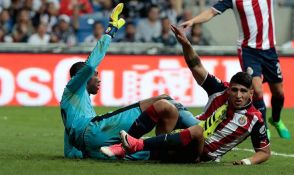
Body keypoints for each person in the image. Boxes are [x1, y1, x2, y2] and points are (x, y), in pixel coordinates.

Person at [102, 25, 271, 165]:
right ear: (230, 88)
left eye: (243, 91)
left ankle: (136, 146)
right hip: (195, 127)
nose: (238, 95)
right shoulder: (221, 90)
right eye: (234, 90)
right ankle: (124, 145)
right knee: (164, 104)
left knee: (197, 131)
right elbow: (196, 66)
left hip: (203, 151)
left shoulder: (255, 119)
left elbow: (264, 152)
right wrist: (186, 44)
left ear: (251, 93)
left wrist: (247, 161)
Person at [60, 3, 199, 160]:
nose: (99, 78)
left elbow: (70, 148)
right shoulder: (73, 88)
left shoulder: (75, 105)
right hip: (94, 131)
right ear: (82, 76)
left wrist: (82, 154)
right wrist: (111, 30)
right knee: (164, 99)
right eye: (95, 75)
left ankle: (168, 148)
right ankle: (201, 128)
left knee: (153, 144)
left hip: (92, 147)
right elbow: (91, 64)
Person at [179, 0, 290, 139]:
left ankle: (276, 120)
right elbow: (212, 11)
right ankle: (263, 129)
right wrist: (193, 21)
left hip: (270, 51)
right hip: (249, 51)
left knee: (279, 93)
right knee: (257, 90)